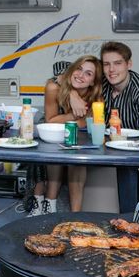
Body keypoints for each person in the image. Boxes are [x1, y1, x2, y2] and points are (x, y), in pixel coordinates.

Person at [27, 55, 103, 215]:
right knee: (45, 150)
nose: (81, 75)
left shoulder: (95, 96)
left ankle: (55, 206)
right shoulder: (53, 88)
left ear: (93, 82)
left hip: (76, 135)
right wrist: (74, 106)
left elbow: (87, 123)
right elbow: (50, 121)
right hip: (49, 130)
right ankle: (38, 202)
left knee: (76, 157)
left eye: (88, 74)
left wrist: (75, 116)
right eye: (79, 69)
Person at [99, 41, 139, 216]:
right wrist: (72, 95)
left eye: (117, 63)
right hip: (104, 148)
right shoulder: (102, 82)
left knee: (125, 167)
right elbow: (66, 72)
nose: (111, 70)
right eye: (106, 64)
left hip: (132, 153)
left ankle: (130, 218)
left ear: (128, 64)